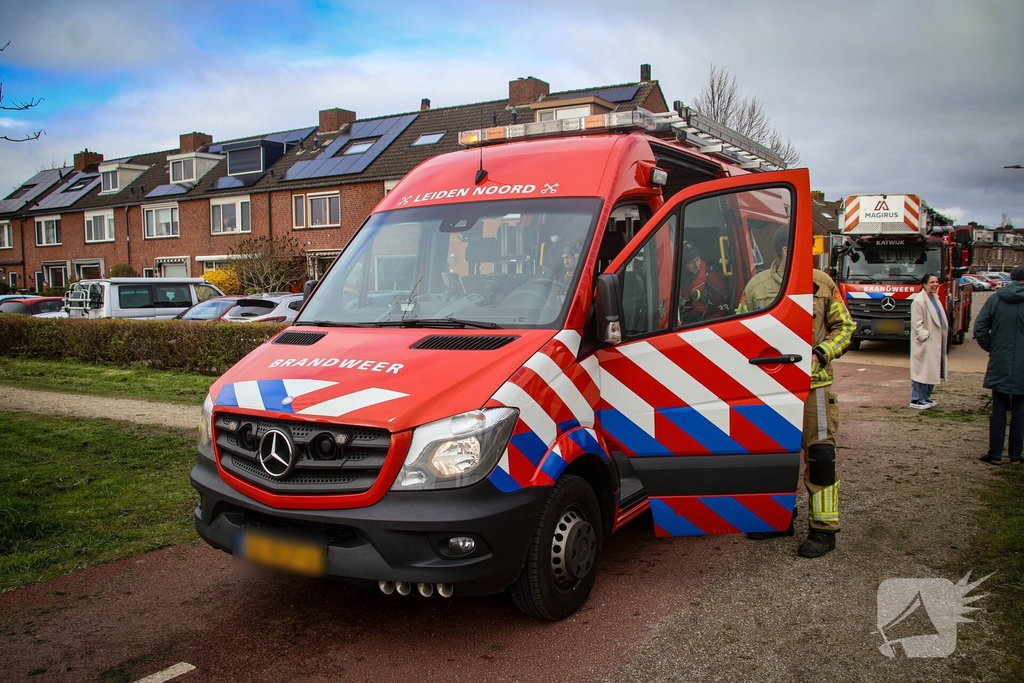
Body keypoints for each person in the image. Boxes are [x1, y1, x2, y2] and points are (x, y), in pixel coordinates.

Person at [744, 226, 855, 558]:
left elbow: (845, 327)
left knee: (821, 458)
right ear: (784, 250)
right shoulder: (757, 287)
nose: (809, 256)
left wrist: (821, 354)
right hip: (771, 390)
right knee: (776, 458)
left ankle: (824, 530)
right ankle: (779, 519)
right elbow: (740, 332)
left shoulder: (822, 283)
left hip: (814, 388)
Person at [973, 265, 1024, 465]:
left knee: (999, 408)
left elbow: (980, 328)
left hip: (1000, 359)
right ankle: (1015, 455)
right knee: (1020, 410)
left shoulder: (996, 299)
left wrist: (993, 348)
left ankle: (995, 453)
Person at [909, 273, 947, 409]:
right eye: (932, 282)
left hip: (934, 342)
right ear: (924, 284)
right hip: (925, 342)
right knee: (921, 371)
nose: (935, 285)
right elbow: (916, 324)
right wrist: (925, 336)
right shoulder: (919, 301)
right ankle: (916, 399)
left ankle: (926, 397)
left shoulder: (935, 298)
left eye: (936, 282)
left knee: (931, 370)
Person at [677, 241, 729, 324]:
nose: (697, 265)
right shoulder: (677, 281)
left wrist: (705, 322)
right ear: (684, 266)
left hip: (708, 320)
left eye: (698, 260)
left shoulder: (711, 277)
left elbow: (725, 307)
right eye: (691, 262)